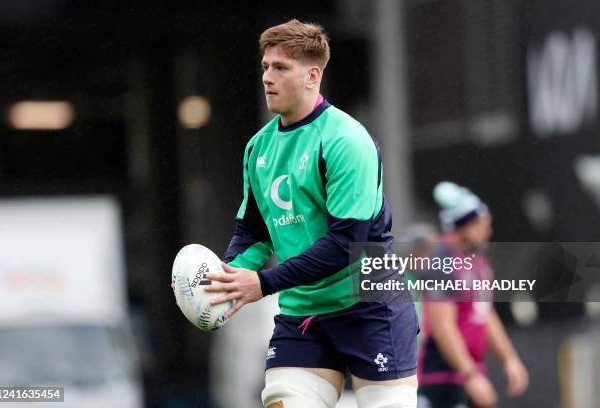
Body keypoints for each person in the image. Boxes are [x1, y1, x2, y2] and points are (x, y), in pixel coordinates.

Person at [203, 19, 418, 408]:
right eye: (266, 66)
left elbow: (345, 243)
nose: (268, 77)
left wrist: (263, 283)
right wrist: (224, 277)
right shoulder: (258, 148)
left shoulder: (346, 140)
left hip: (370, 309)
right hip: (304, 316)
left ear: (312, 75)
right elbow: (254, 230)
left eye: (281, 67)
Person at [417, 182, 529, 408]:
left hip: (471, 372)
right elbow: (443, 327)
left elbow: (485, 314)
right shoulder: (442, 261)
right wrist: (470, 375)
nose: (488, 232)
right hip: (443, 378)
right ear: (464, 225)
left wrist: (509, 359)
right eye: (482, 225)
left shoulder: (478, 262)